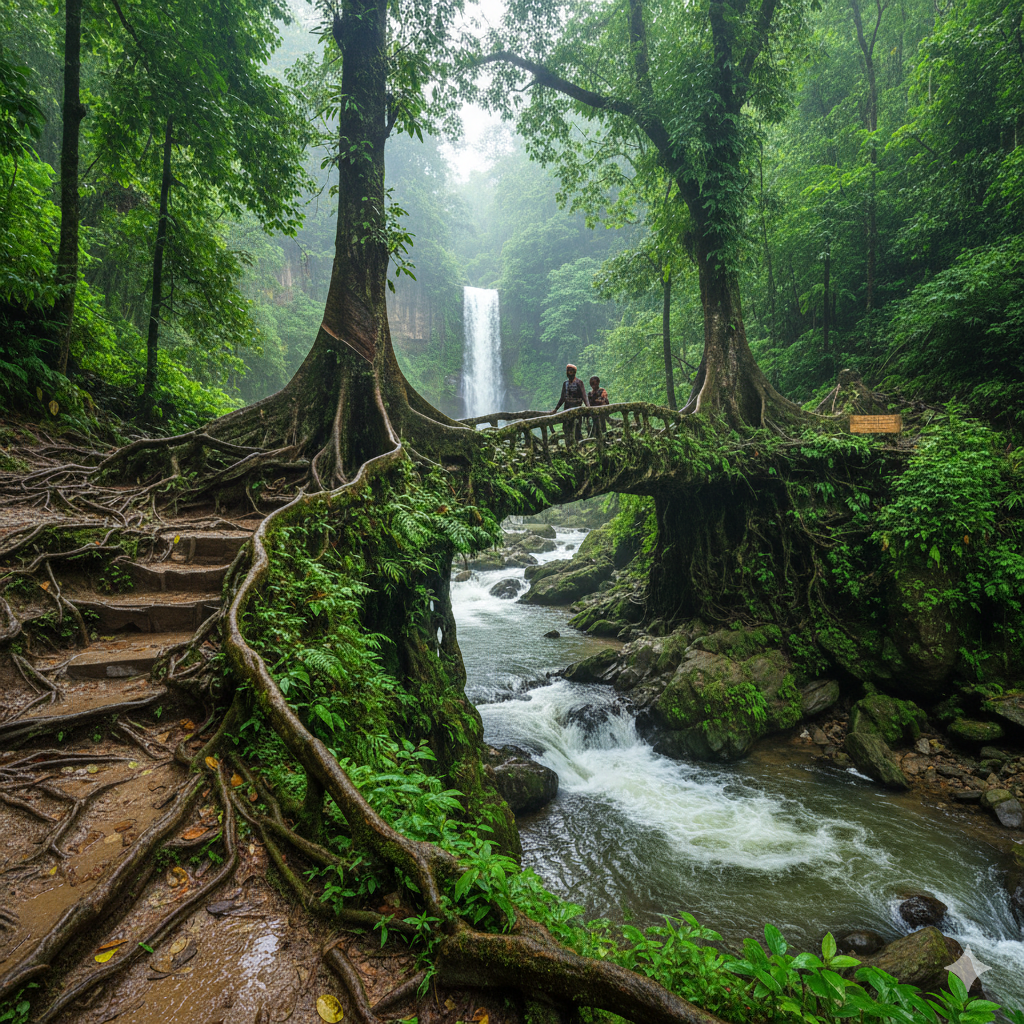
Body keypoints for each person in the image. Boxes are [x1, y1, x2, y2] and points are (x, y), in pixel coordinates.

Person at [552, 363, 589, 443]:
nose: (569, 373)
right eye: (568, 371)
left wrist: (588, 407)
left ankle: (580, 444)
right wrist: (556, 409)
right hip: (567, 408)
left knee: (577, 428)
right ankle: (569, 445)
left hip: (577, 409)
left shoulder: (579, 382)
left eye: (571, 371)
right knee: (566, 427)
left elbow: (584, 396)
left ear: (574, 372)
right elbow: (562, 397)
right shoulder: (565, 384)